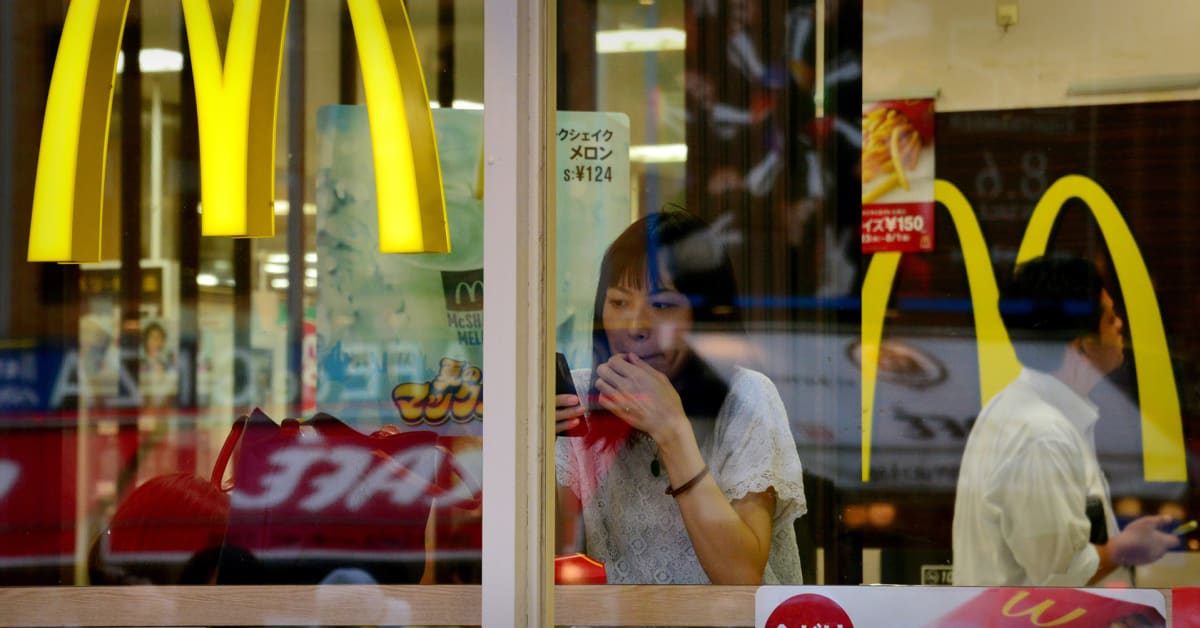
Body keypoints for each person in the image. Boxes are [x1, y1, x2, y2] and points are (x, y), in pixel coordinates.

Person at [554, 208, 807, 585]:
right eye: (619, 303)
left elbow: (741, 578)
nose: (635, 327)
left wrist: (672, 430)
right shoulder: (579, 400)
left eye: (662, 305)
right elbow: (548, 557)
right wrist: (528, 458)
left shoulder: (746, 396)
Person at [952, 255, 1180, 586]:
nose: (1120, 325)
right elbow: (1060, 578)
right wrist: (1123, 548)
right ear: (1082, 346)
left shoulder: (1031, 413)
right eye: (1110, 319)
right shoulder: (1042, 435)